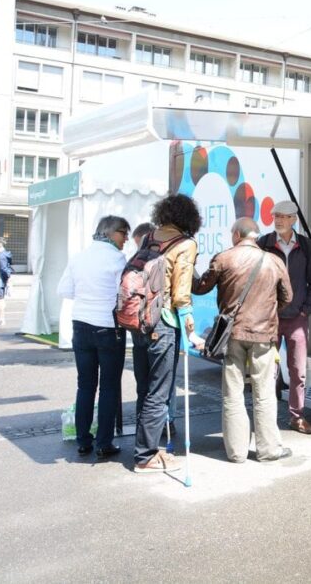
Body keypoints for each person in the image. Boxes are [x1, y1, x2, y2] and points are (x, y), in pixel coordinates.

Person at [193, 217, 293, 462]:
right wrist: (268, 312)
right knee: (265, 392)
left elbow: (200, 288)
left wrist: (190, 265)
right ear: (255, 236)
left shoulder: (224, 259)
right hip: (264, 335)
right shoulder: (274, 261)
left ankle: (236, 452)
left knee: (233, 392)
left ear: (237, 234)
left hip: (233, 334)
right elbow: (287, 297)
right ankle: (269, 450)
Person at [130, 194, 200, 473]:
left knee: (145, 388)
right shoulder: (185, 243)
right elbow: (181, 293)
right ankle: (145, 457)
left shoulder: (150, 238)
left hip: (139, 322)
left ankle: (144, 447)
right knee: (159, 392)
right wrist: (189, 327)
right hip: (164, 323)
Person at [57, 217, 130, 458]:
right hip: (108, 327)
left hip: (80, 325)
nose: (126, 239)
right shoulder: (117, 258)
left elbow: (64, 290)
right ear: (109, 233)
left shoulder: (79, 257)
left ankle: (83, 440)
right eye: (123, 233)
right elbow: (125, 292)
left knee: (85, 385)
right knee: (109, 387)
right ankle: (104, 443)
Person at [257, 200, 311, 434]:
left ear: (294, 219)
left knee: (298, 370)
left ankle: (297, 417)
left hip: (297, 318)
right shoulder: (263, 244)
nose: (278, 220)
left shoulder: (305, 246)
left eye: (284, 217)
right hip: (269, 318)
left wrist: (307, 309)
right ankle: (266, 419)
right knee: (267, 370)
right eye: (276, 216)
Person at [0, 238, 13, 326]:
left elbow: (3, 268)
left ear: (0, 244)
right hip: (2, 279)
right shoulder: (4, 254)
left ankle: (2, 318)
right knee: (0, 299)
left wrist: (7, 278)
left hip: (0, 279)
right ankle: (0, 318)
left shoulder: (1, 256)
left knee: (0, 299)